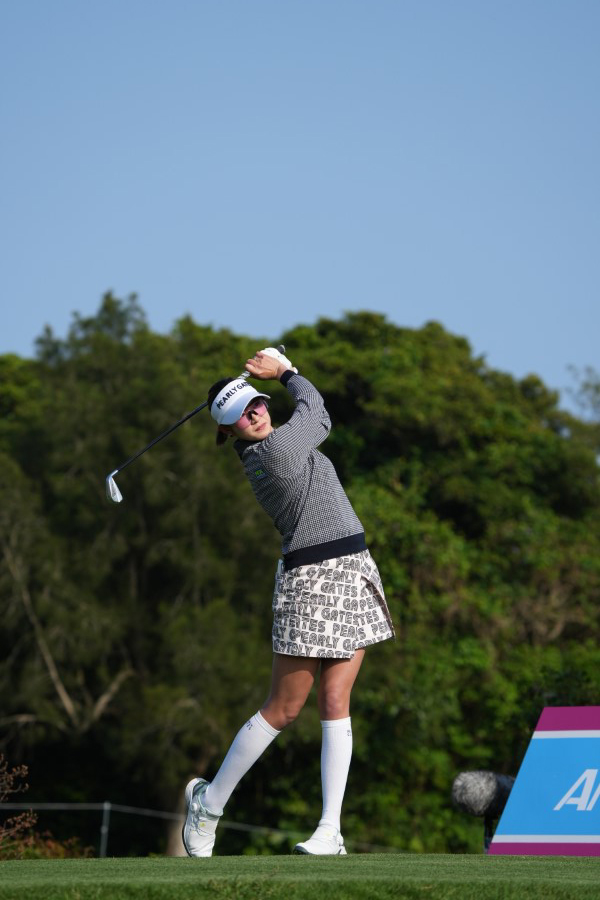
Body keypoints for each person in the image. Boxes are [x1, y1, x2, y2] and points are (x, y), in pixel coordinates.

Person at [182, 348, 394, 857]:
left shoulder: (277, 443)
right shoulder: (275, 453)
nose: (255, 414)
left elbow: (309, 418)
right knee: (284, 707)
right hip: (312, 580)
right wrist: (285, 372)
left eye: (256, 403)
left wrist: (278, 375)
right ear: (228, 430)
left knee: (336, 700)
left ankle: (330, 831)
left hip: (352, 568)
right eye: (241, 414)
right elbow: (318, 412)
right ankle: (209, 804)